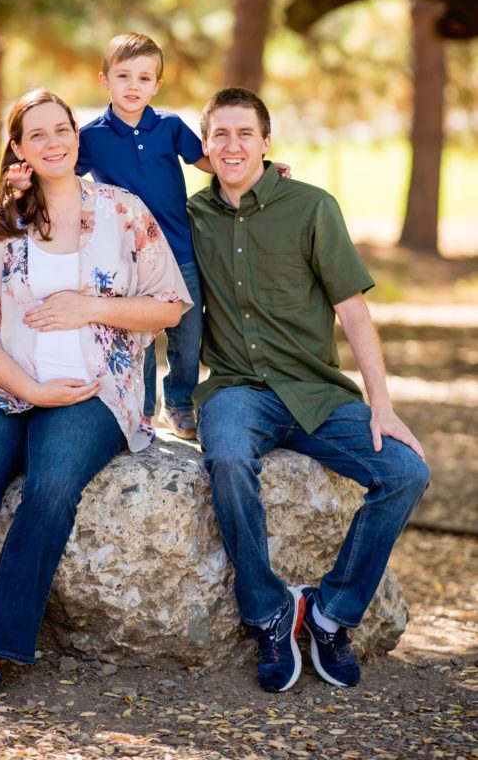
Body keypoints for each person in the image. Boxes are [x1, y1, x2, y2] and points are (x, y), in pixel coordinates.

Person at [0, 88, 191, 701]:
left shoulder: (124, 211)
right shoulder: (0, 220)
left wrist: (90, 307)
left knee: (50, 488)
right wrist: (30, 391)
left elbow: (171, 307)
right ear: (17, 149)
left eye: (63, 129)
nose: (55, 142)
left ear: (78, 136)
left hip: (93, 389)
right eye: (38, 134)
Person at [186, 87, 430, 693]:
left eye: (246, 134)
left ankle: (329, 613)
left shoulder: (313, 206)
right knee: (229, 460)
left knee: (406, 472)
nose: (233, 145)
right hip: (237, 389)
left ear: (268, 144)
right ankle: (270, 614)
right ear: (206, 147)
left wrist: (383, 405)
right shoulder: (189, 219)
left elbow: (353, 312)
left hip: (317, 391)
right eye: (220, 135)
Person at [8, 33, 290, 440]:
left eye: (144, 78)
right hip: (123, 257)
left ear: (157, 85)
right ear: (104, 80)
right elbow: (61, 173)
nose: (133, 86)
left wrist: (259, 167)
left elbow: (210, 161)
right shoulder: (92, 136)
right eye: (123, 76)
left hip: (179, 249)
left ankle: (179, 403)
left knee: (187, 333)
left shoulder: (171, 128)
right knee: (134, 334)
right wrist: (24, 181)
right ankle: (138, 407)